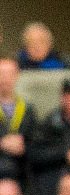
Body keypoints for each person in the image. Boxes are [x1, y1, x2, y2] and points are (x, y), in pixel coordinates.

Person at [0, 56, 35, 184]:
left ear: (17, 75)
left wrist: (24, 146)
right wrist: (2, 144)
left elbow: (36, 144)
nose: (5, 78)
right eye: (1, 73)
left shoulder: (27, 109)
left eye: (9, 73)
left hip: (20, 176)